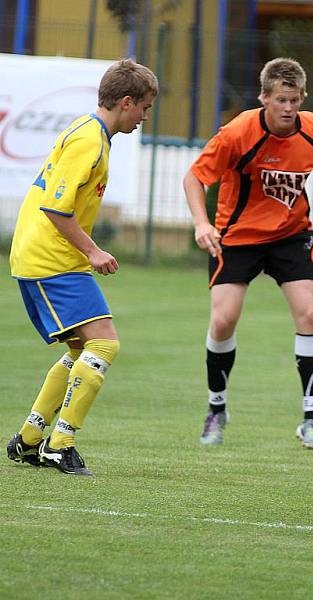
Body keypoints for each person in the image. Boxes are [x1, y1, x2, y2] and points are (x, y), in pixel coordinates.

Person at [183, 57, 313, 450]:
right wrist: (203, 224)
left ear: (303, 97)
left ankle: (312, 419)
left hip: (291, 234)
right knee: (223, 320)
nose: (289, 108)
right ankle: (216, 408)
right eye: (281, 100)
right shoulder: (237, 133)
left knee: (311, 313)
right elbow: (194, 177)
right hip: (237, 235)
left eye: (295, 99)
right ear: (264, 97)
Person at [6, 59, 159, 477]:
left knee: (81, 350)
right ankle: (61, 443)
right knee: (105, 345)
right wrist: (93, 251)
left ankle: (30, 439)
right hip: (50, 258)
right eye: (144, 108)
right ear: (126, 102)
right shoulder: (89, 140)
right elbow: (56, 207)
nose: (145, 116)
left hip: (50, 256)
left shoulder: (92, 134)